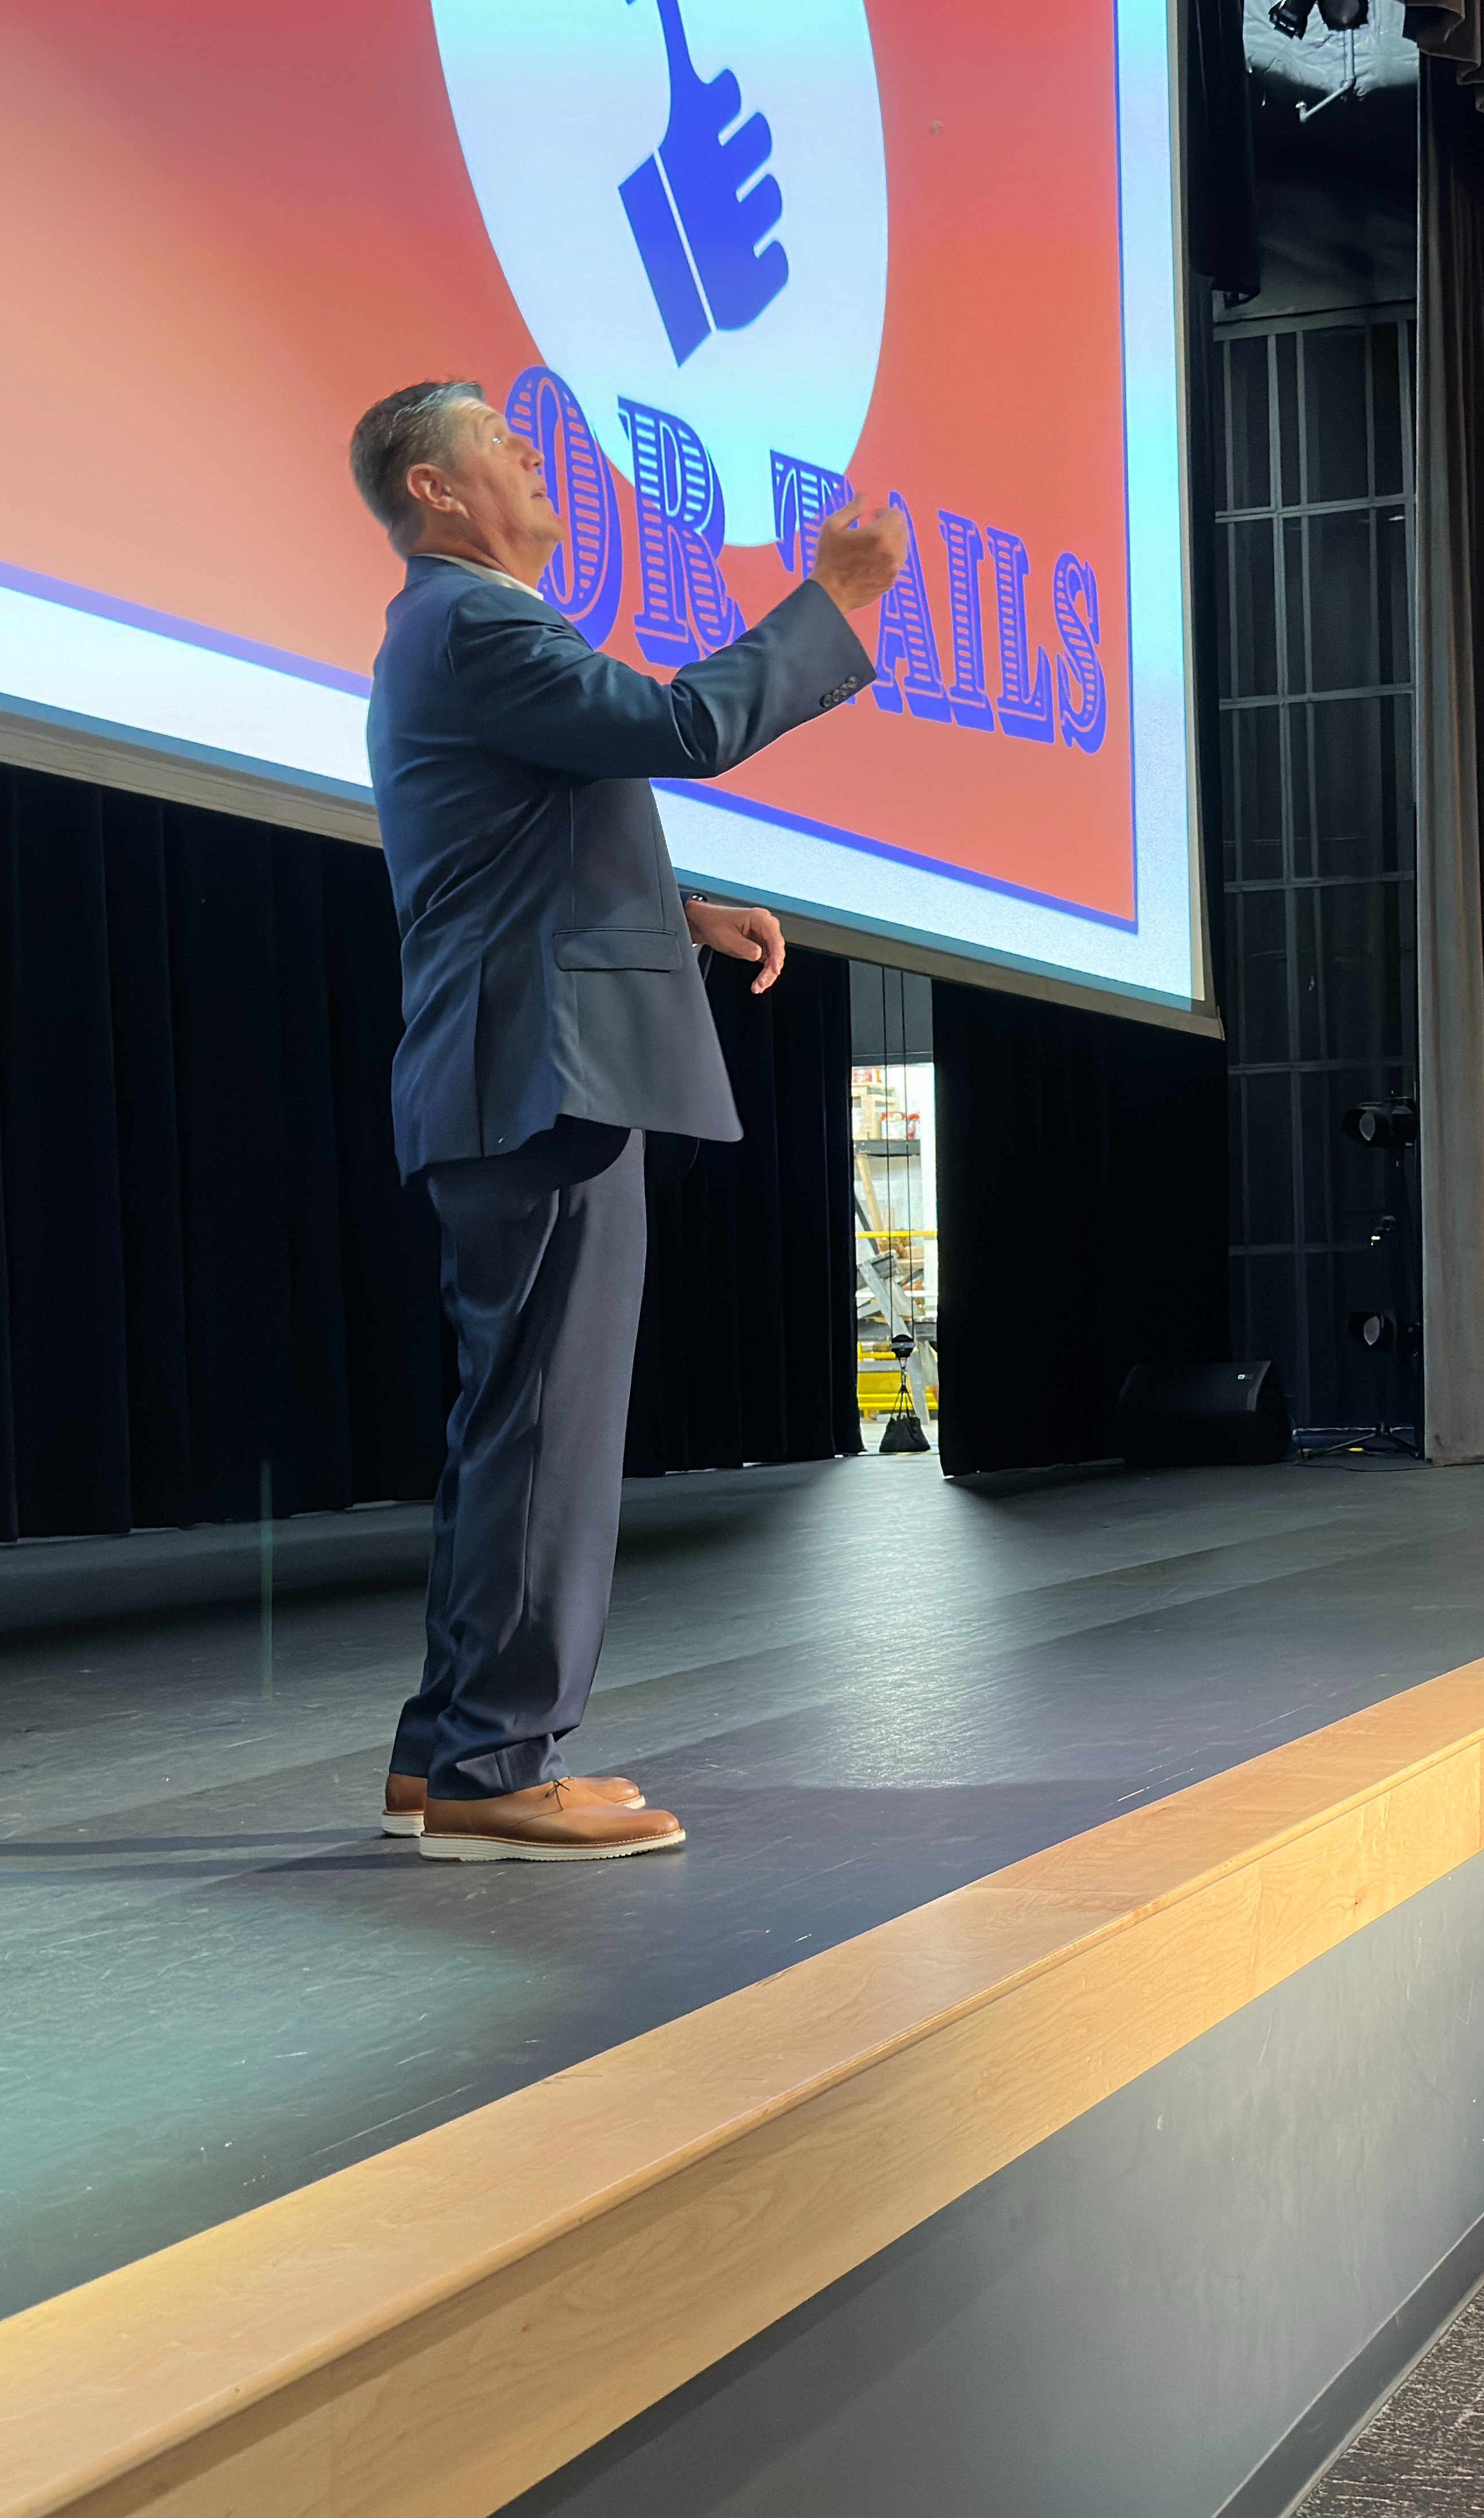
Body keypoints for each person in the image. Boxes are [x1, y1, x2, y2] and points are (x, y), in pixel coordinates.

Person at [348, 377, 896, 1862]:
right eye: (509, 448)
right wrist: (830, 604)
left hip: (505, 1064)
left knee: (509, 1422)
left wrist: (676, 906)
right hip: (541, 1070)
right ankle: (493, 1769)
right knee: (545, 1427)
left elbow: (522, 837)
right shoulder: (476, 618)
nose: (541, 462)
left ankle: (451, 1745)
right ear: (435, 491)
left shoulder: (447, 633)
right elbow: (672, 724)